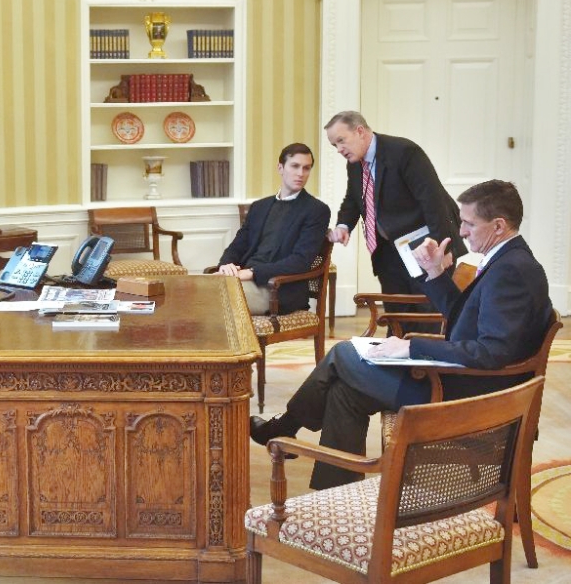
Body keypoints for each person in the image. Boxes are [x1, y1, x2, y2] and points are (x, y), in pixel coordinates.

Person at [250, 180, 552, 490]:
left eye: (469, 223)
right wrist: (435, 273)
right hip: (456, 380)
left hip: (467, 397)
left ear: (498, 226)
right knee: (344, 394)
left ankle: (286, 426)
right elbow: (464, 318)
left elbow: (491, 353)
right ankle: (337, 492)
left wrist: (411, 348)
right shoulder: (507, 261)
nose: (461, 231)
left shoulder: (511, 271)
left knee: (343, 354)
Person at [324, 111, 466, 330]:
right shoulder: (354, 164)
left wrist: (442, 248)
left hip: (424, 243)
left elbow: (433, 201)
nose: (339, 149)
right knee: (397, 313)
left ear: (360, 131)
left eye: (341, 140)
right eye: (334, 145)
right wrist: (344, 225)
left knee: (427, 313)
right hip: (388, 249)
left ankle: (426, 352)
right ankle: (397, 350)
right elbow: (353, 198)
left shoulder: (404, 152)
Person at [213, 143, 330, 315]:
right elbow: (237, 246)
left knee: (213, 300)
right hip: (243, 281)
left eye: (306, 168)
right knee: (195, 292)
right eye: (295, 166)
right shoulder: (259, 207)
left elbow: (300, 261)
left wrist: (252, 273)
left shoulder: (316, 210)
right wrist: (226, 266)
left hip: (278, 289)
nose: (301, 173)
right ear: (280, 168)